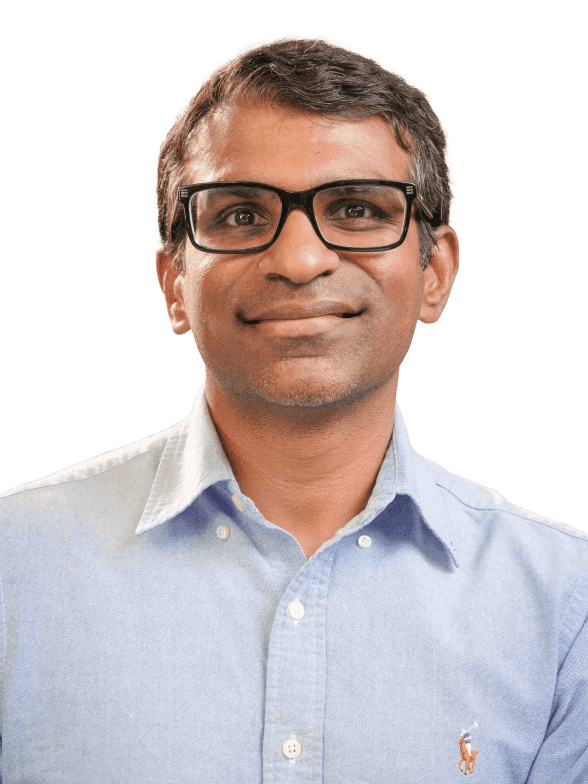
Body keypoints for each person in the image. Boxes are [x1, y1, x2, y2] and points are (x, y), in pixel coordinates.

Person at [1, 36, 586, 783]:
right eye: (242, 214)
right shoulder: (13, 567)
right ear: (175, 284)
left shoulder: (565, 602)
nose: (300, 261)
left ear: (434, 272)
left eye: (356, 209)